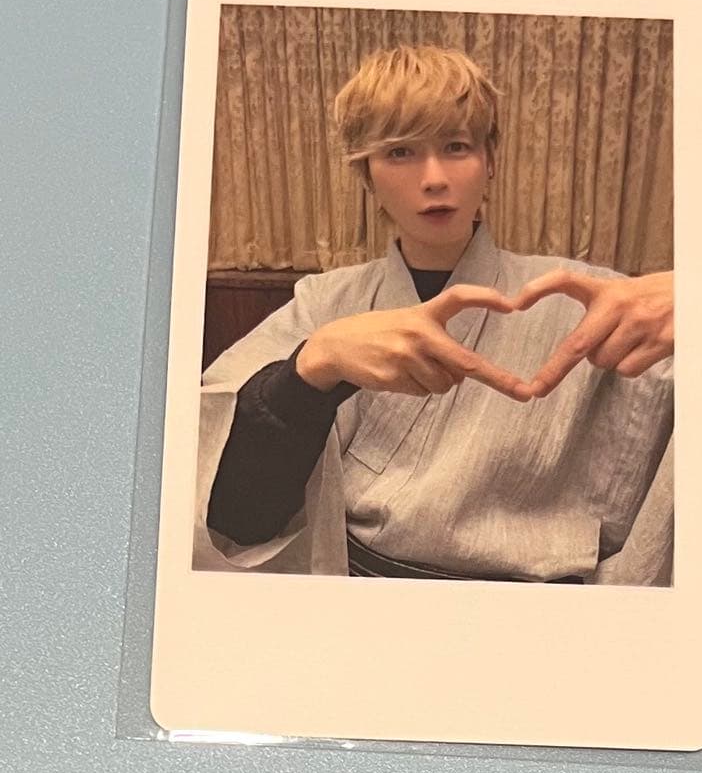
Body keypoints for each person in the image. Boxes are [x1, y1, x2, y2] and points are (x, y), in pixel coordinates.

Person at [194, 46, 674, 585]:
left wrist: (699, 304)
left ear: (490, 161)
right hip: (362, 596)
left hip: (542, 611)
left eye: (456, 147)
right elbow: (235, 514)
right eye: (400, 152)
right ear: (367, 176)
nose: (434, 178)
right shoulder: (325, 303)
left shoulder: (587, 299)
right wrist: (312, 369)